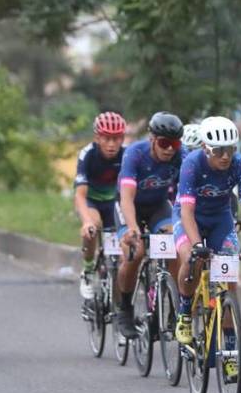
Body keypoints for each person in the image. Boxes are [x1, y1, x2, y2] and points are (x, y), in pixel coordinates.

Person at [173, 116, 241, 379]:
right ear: (205, 148)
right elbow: (186, 211)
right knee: (191, 258)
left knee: (228, 286)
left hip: (221, 220)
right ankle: (185, 311)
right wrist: (197, 245)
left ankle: (230, 352)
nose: (225, 157)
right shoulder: (192, 163)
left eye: (230, 150)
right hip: (190, 218)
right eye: (219, 151)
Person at [114, 111, 187, 340]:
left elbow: (185, 195)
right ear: (152, 139)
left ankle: (174, 306)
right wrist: (132, 228)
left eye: (175, 144)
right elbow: (127, 197)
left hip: (158, 206)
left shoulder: (181, 156)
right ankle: (124, 308)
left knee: (174, 246)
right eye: (164, 143)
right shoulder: (135, 154)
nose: (170, 149)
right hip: (130, 205)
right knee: (135, 253)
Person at [74, 111, 126, 300]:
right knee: (93, 227)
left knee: (124, 256)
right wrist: (86, 221)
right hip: (92, 201)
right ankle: (88, 271)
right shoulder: (87, 154)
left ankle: (121, 304)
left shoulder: (127, 154)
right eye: (106, 138)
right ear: (97, 138)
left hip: (114, 203)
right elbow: (80, 195)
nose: (111, 144)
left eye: (116, 138)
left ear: (122, 138)